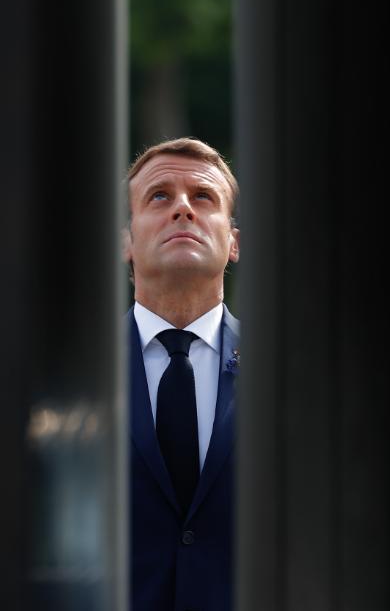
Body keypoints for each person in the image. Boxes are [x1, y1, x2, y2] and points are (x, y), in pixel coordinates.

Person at [122, 137, 241, 611]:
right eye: (159, 196)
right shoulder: (75, 376)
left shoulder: (287, 375)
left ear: (234, 242)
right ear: (125, 241)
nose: (183, 210)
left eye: (203, 197)